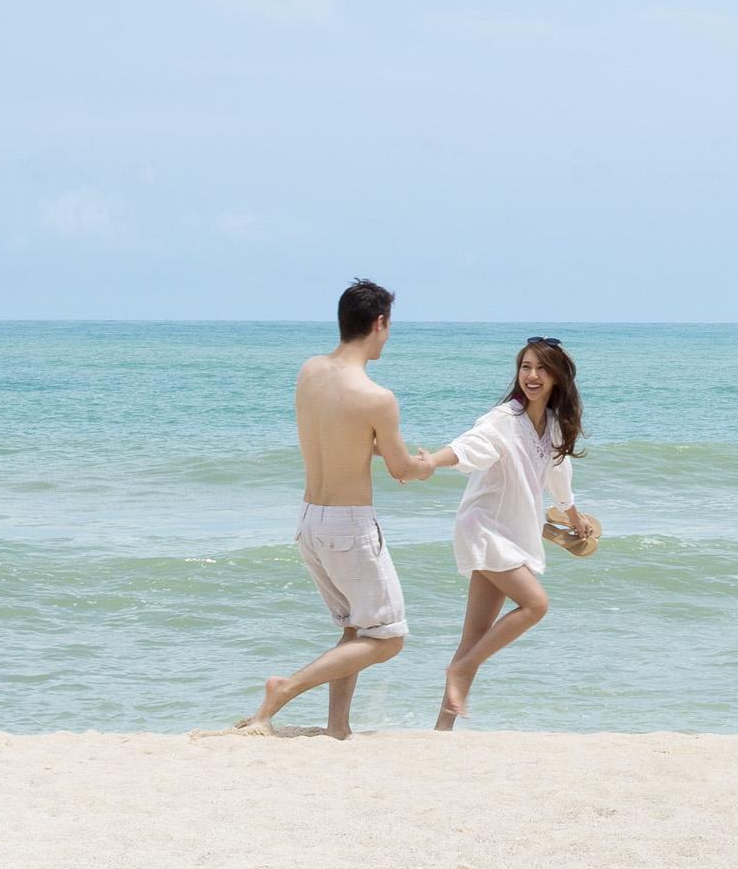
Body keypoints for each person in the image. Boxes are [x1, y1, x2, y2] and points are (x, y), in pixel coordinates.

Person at [227, 282, 436, 738]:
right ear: (379, 323)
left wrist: (385, 449)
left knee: (357, 631)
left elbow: (342, 438)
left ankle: (337, 727)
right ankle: (285, 688)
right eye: (389, 327)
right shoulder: (376, 396)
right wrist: (425, 466)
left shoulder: (310, 371)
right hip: (350, 526)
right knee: (389, 638)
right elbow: (401, 468)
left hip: (309, 521)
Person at [419, 336, 595, 729]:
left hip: (513, 530)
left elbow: (557, 473)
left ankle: (442, 728)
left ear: (556, 378)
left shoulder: (550, 425)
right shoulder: (504, 419)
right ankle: (461, 669)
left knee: (477, 635)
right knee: (536, 605)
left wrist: (573, 515)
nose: (531, 375)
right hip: (484, 527)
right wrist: (432, 460)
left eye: (541, 369)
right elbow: (471, 446)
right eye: (525, 367)